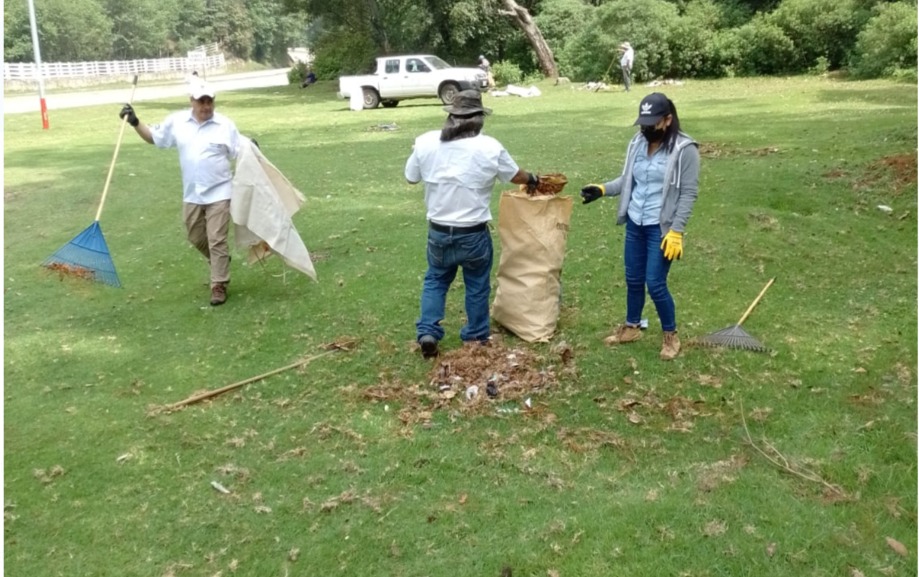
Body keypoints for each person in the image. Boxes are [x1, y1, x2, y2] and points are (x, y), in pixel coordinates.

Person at [404, 89, 540, 359]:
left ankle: (428, 331)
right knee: (476, 283)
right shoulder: (489, 147)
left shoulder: (426, 142)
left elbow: (411, 177)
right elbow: (516, 176)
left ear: (451, 116)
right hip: (473, 233)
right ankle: (476, 336)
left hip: (439, 232)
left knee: (436, 279)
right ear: (478, 119)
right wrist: (533, 178)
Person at [579, 92, 700, 360]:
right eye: (643, 122)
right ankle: (632, 327)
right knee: (633, 279)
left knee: (655, 283)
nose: (646, 128)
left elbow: (689, 193)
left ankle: (671, 336)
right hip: (636, 221)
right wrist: (602, 189)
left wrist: (676, 231)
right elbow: (627, 181)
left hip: (661, 227)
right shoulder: (637, 142)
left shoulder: (684, 150)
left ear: (668, 120)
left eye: (652, 122)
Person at [118, 82, 242, 306]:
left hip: (220, 190)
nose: (206, 105)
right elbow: (154, 138)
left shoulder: (225, 124)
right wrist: (135, 122)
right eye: (201, 101)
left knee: (217, 239)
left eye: (209, 100)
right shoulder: (177, 122)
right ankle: (219, 261)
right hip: (192, 193)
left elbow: (240, 149)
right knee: (195, 237)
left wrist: (252, 146)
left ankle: (219, 284)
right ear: (191, 101)